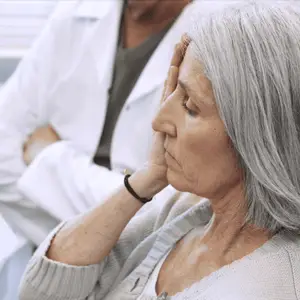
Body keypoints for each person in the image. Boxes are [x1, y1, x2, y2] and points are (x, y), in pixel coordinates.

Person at [19, 1, 300, 299]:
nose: (159, 121)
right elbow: (40, 291)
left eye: (190, 107)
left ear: (256, 135)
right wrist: (146, 179)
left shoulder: (272, 284)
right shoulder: (180, 212)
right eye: (173, 92)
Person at [0, 1, 194, 299]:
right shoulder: (73, 14)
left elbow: (179, 208)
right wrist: (93, 234)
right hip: (50, 268)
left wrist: (48, 159)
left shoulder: (229, 34)